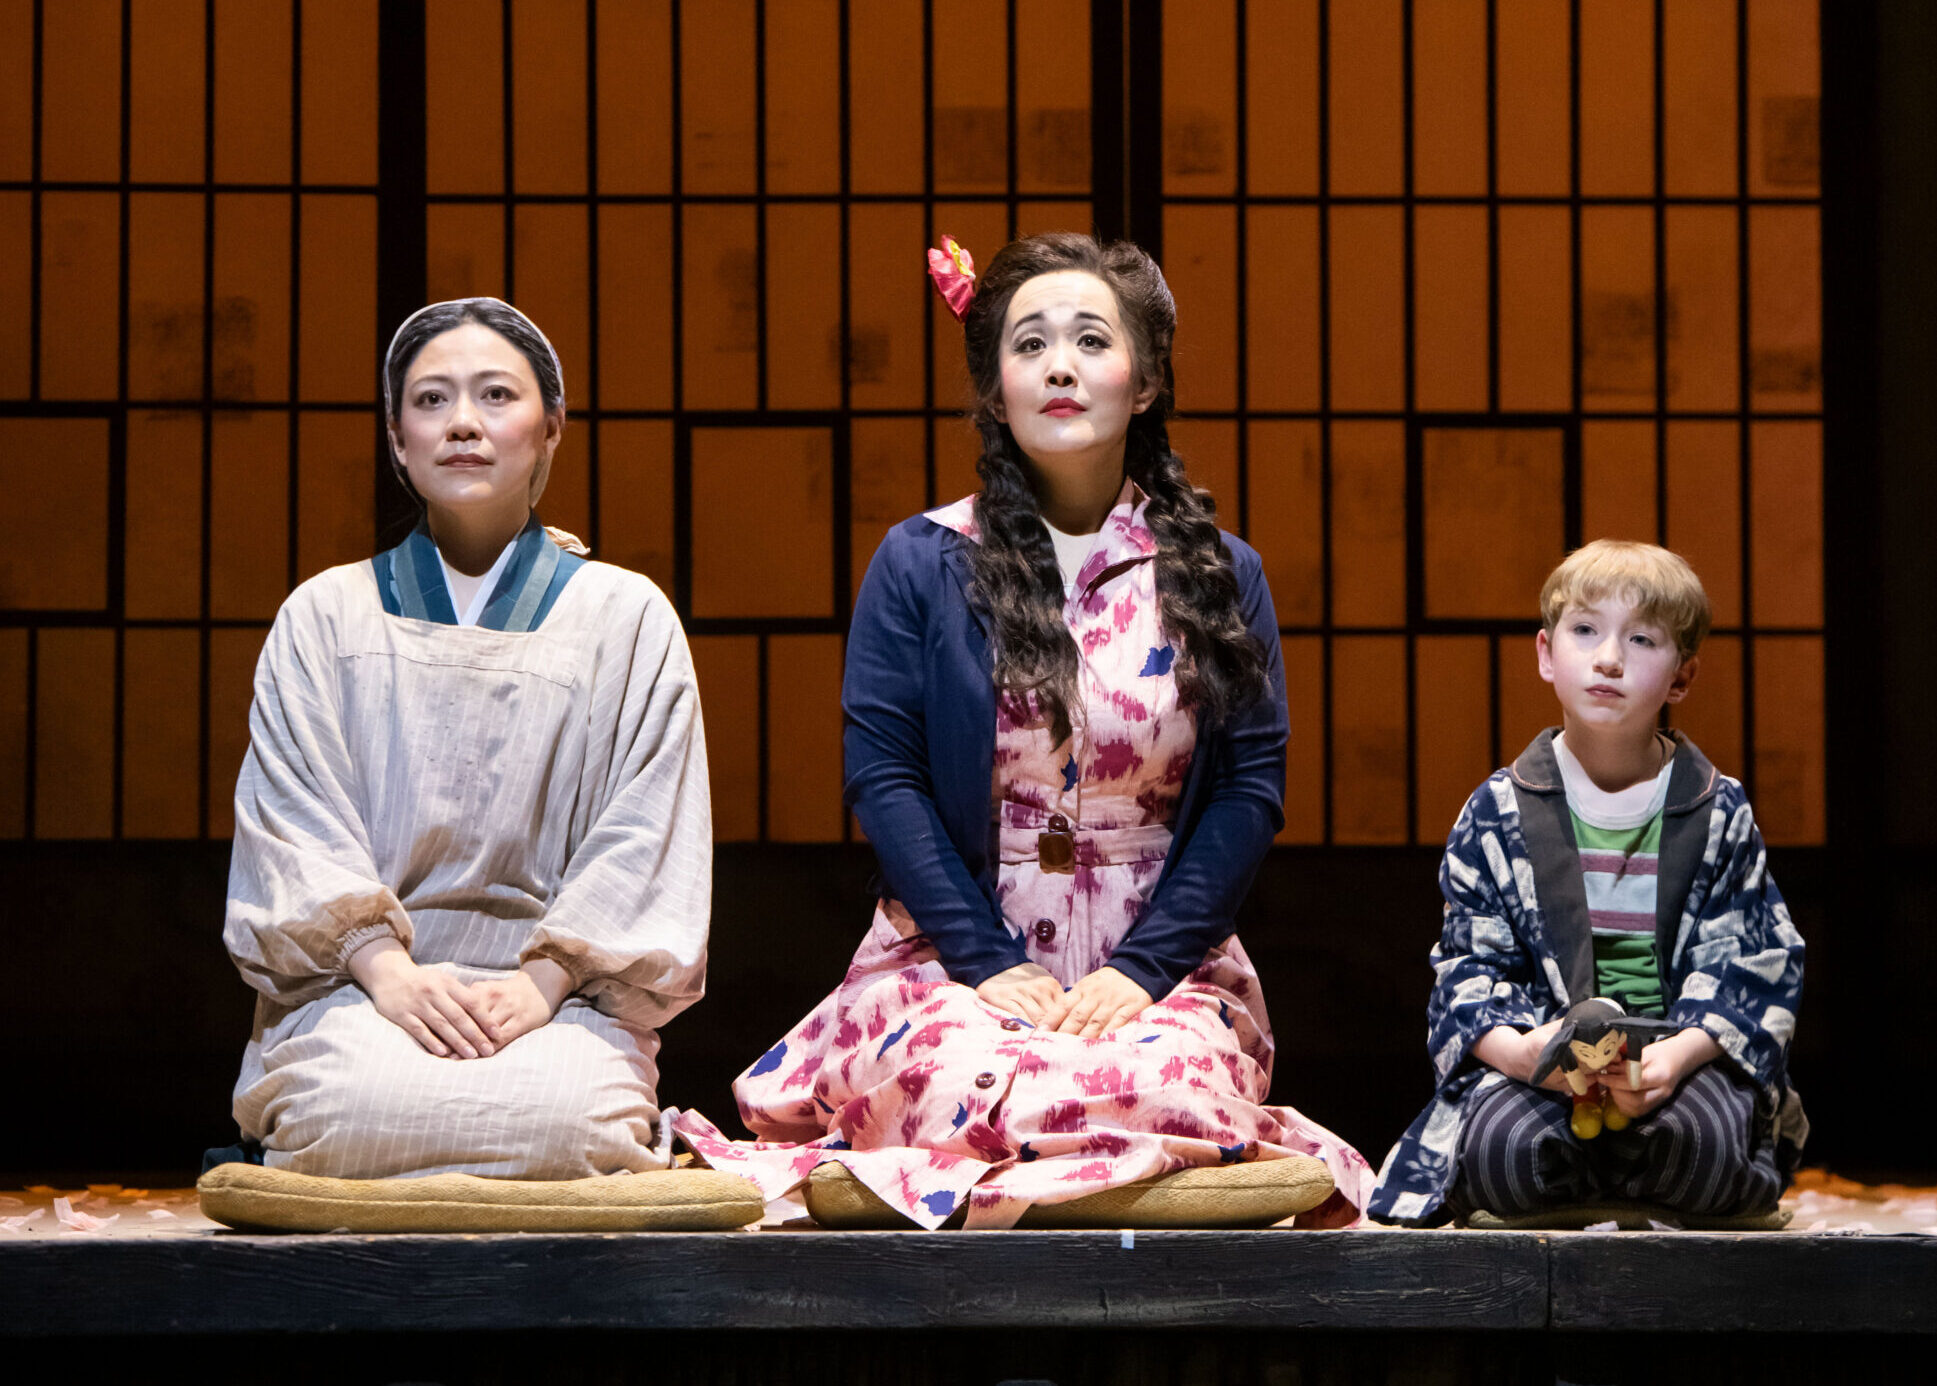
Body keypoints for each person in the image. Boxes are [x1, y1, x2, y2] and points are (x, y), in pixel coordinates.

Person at [676, 233, 1373, 1229]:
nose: (1058, 364)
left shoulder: (1218, 572)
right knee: (972, 1079)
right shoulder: (921, 561)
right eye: (1029, 344)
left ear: (1142, 384)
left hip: (1159, 960)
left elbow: (1247, 787)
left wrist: (1140, 975)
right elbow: (884, 776)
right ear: (993, 386)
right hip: (948, 955)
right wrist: (986, 963)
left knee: (1159, 1089)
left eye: (1091, 340)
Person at [220, 297, 711, 1179]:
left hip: (558, 998)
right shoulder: (325, 615)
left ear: (552, 429)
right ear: (397, 439)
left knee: (570, 1130)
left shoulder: (626, 616)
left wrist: (542, 982)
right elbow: (290, 829)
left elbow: (645, 835)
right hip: (360, 992)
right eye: (433, 401)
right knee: (351, 1118)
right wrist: (387, 973)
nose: (464, 425)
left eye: (495, 396)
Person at [1370, 541, 1807, 1225]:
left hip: (1674, 1063)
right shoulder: (1496, 812)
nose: (1608, 658)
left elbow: (1752, 964)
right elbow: (1467, 972)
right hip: (1544, 1066)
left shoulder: (1716, 809)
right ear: (1545, 653)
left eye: (1640, 639)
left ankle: (1638, 1174)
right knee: (1499, 1155)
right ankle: (1610, 1181)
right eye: (1584, 631)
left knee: (1701, 1145)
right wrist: (1522, 1056)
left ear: (1681, 676)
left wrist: (1672, 1060)